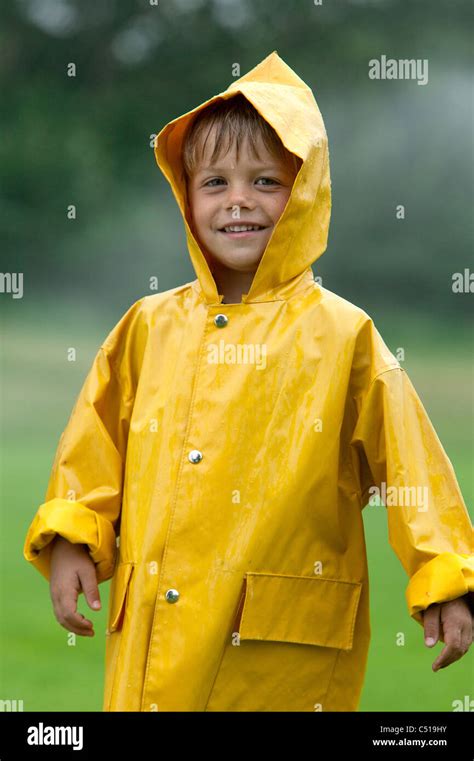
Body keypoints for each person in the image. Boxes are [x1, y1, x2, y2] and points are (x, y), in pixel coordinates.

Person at [23, 50, 473, 712]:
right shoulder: (147, 326)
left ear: (307, 192)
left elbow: (411, 462)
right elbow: (94, 448)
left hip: (278, 654)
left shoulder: (343, 335)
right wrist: (71, 537)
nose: (240, 201)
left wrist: (446, 576)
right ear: (186, 193)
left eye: (266, 181)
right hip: (151, 643)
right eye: (216, 183)